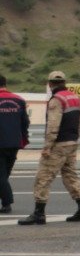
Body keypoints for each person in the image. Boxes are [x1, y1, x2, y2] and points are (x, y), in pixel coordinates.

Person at [19, 70, 80, 225]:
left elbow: (53, 125)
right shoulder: (74, 97)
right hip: (71, 142)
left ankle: (39, 213)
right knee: (70, 176)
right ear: (65, 82)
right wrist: (75, 137)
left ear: (50, 84)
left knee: (43, 177)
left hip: (58, 145)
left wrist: (47, 146)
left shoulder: (56, 100)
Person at [0, 73, 29, 215]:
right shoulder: (19, 100)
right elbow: (25, 123)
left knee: (1, 176)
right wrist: (23, 140)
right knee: (4, 175)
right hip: (14, 143)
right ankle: (5, 200)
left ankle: (7, 203)